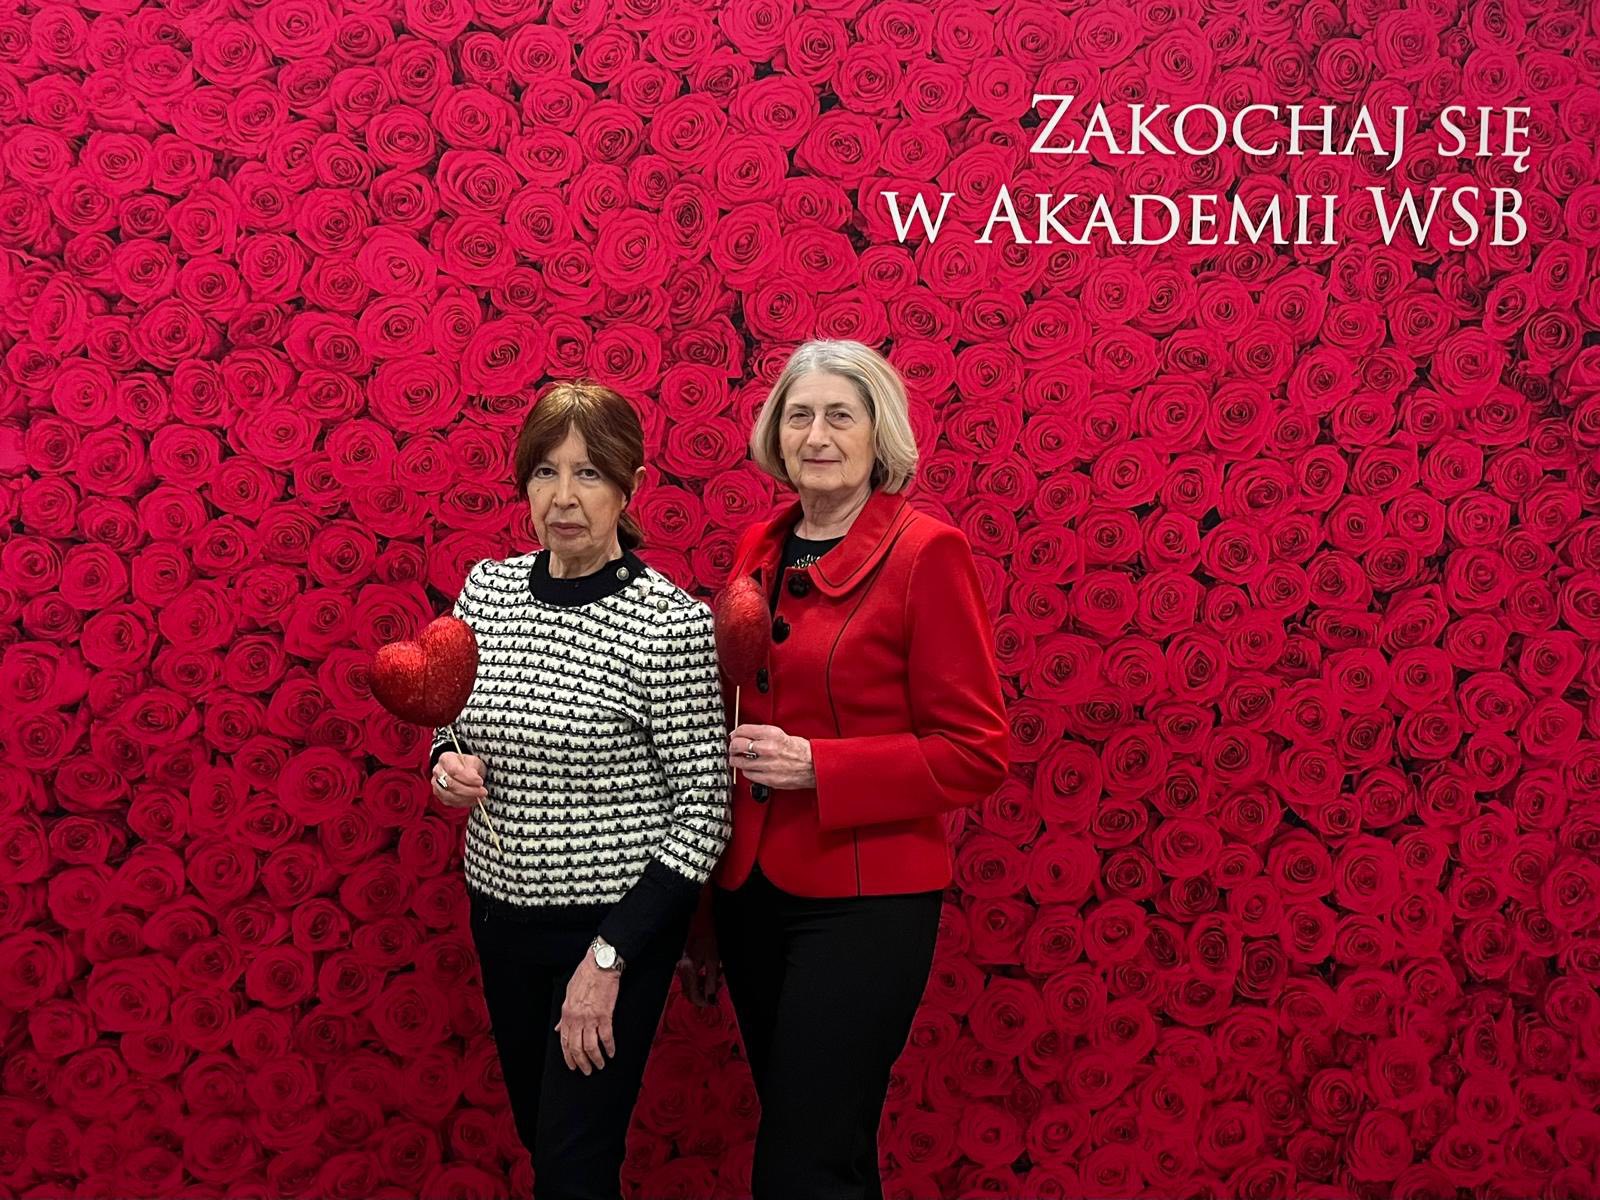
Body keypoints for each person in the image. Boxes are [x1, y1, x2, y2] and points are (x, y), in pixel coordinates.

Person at [683, 340, 1009, 1199]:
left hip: (865, 906)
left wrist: (819, 767)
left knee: (806, 1158)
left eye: (839, 415)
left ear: (878, 433)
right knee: (828, 1152)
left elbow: (976, 750)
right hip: (752, 894)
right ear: (775, 434)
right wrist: (704, 916)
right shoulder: (759, 545)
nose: (816, 435)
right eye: (799, 416)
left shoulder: (927, 553)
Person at [429, 381, 730, 1200]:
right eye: (545, 472)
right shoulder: (486, 592)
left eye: (589, 473)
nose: (563, 497)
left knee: (573, 1165)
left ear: (630, 487)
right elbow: (449, 718)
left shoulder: (669, 624)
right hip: (500, 918)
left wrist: (608, 956)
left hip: (611, 932)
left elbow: (705, 810)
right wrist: (447, 764)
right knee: (545, 1141)